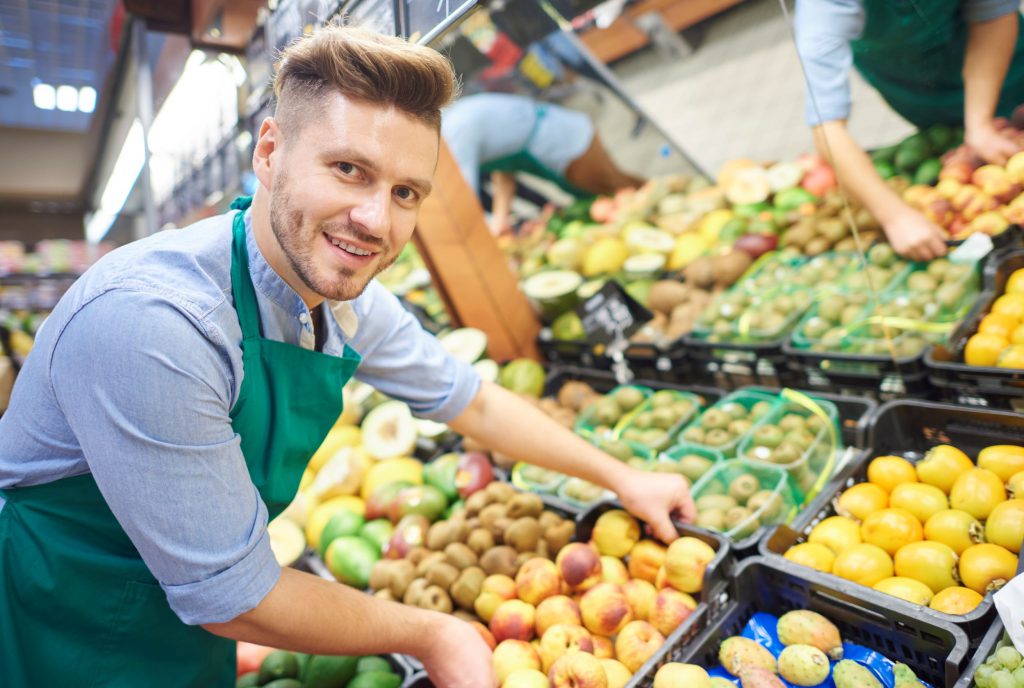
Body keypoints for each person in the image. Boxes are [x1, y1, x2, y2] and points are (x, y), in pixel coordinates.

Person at [0, 26, 694, 688]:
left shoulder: (340, 298)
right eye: (348, 170)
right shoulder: (156, 325)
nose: (376, 221)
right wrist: (432, 633)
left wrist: (622, 476)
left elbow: (469, 399)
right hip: (55, 620)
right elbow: (232, 598)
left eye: (404, 193)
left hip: (178, 614)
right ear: (269, 152)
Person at [795, 0, 1024, 260]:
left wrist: (979, 124)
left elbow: (992, 14)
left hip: (1002, 59)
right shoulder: (824, 7)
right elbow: (826, 126)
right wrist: (895, 216)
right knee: (947, 139)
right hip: (915, 82)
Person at [442, 92, 645, 234]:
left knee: (625, 196)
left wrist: (490, 229)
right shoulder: (454, 123)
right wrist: (500, 220)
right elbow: (503, 173)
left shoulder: (455, 132)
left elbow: (464, 200)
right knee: (614, 200)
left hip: (569, 144)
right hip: (562, 144)